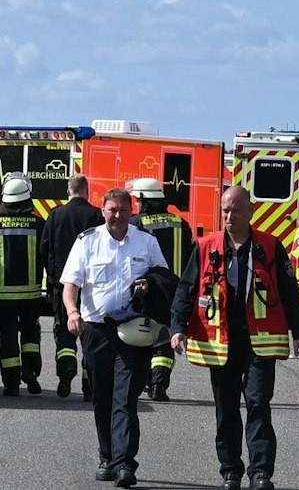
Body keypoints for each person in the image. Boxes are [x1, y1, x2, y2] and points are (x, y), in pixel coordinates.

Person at [170, 184, 299, 490]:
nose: (229, 215)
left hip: (260, 339)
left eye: (235, 209)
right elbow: (186, 288)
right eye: (225, 209)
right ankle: (231, 471)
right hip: (221, 340)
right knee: (227, 407)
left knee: (258, 402)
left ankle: (261, 473)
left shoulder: (271, 246)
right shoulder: (206, 246)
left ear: (250, 211)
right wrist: (177, 327)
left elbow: (289, 291)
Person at [62, 187, 167, 488]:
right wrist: (72, 313)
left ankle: (124, 464)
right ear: (103, 210)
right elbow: (71, 284)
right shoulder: (87, 242)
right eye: (112, 210)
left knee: (126, 398)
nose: (117, 216)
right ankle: (106, 455)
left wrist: (150, 283)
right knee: (103, 397)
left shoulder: (147, 242)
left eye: (123, 210)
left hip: (134, 331)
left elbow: (165, 277)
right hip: (96, 329)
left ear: (131, 211)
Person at [0, 177, 50, 396]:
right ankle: (31, 374)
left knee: (7, 338)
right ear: (27, 198)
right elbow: (49, 257)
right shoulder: (39, 225)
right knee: (30, 337)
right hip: (31, 297)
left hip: (4, 298)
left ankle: (11, 384)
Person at [43, 173, 106, 398]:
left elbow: (45, 249)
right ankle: (89, 384)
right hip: (91, 287)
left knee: (64, 332)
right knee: (90, 335)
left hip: (63, 286)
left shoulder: (55, 215)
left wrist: (51, 280)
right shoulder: (96, 215)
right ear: (86, 191)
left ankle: (66, 372)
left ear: (69, 191)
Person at [129, 176, 191, 400]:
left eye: (138, 200)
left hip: (147, 289)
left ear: (145, 201)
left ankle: (146, 379)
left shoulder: (136, 224)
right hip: (174, 290)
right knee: (166, 336)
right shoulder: (181, 223)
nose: (136, 204)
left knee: (145, 335)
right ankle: (159, 384)